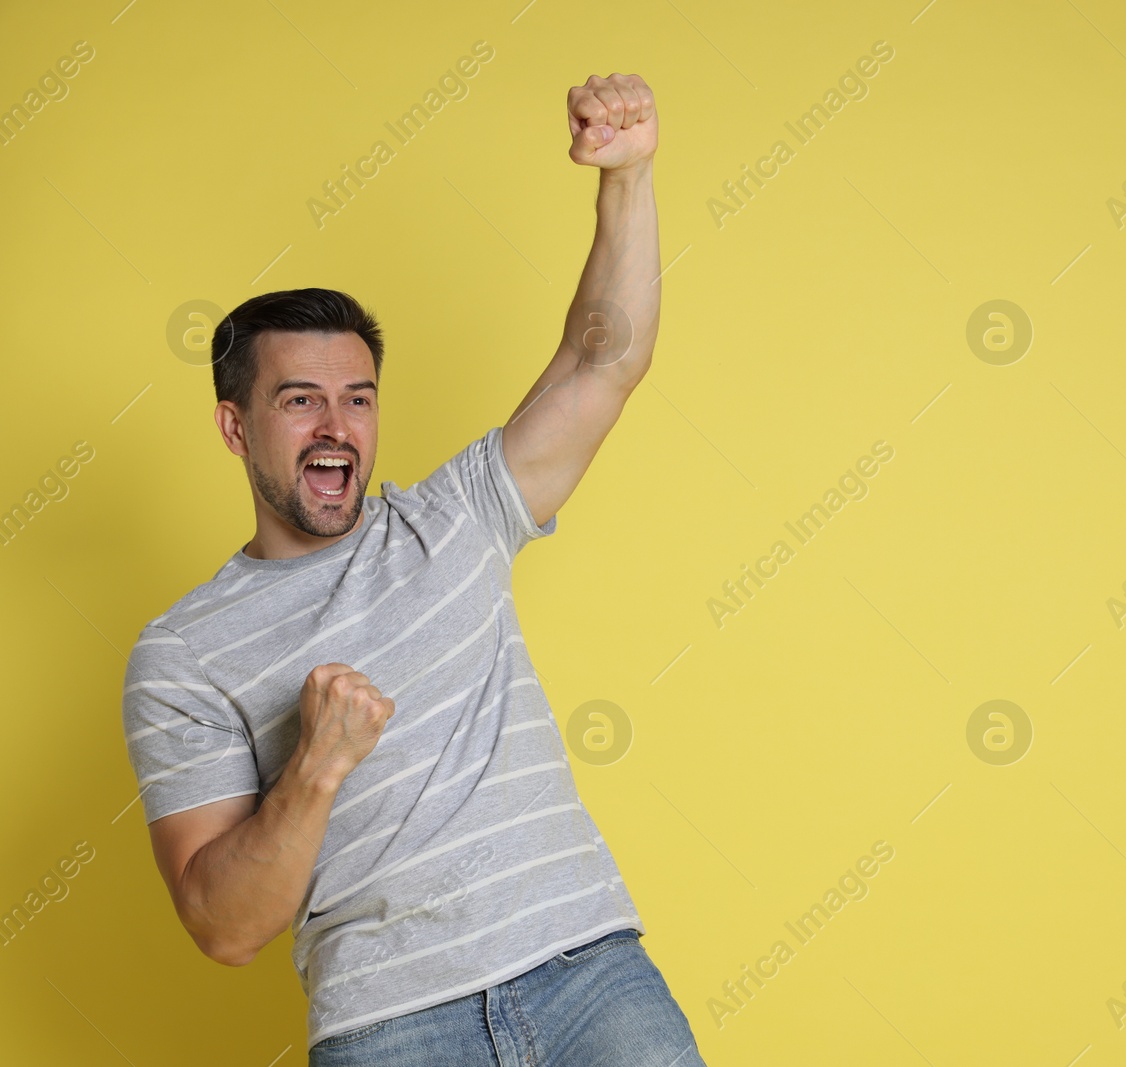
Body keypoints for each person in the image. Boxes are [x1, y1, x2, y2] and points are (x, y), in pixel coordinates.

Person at [121, 73, 704, 1066]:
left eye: (357, 396)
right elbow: (224, 925)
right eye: (300, 399)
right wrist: (316, 763)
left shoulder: (456, 517)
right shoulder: (180, 653)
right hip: (392, 1028)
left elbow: (603, 361)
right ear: (235, 425)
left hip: (587, 976)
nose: (338, 425)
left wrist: (629, 178)